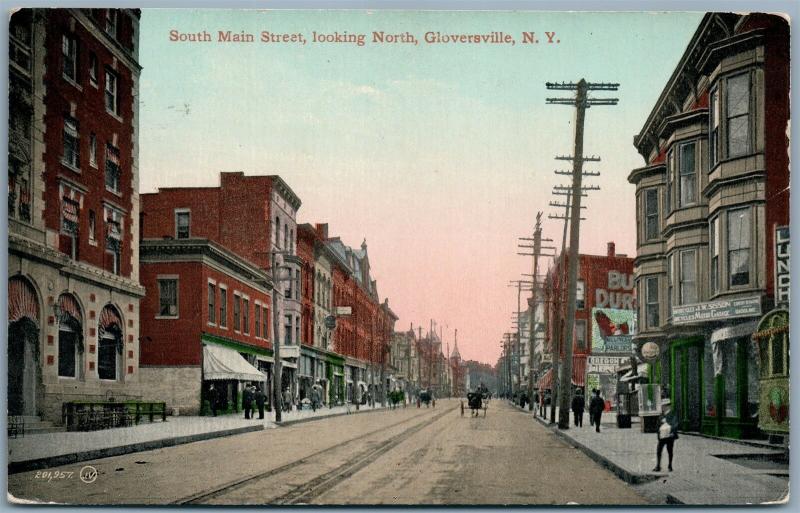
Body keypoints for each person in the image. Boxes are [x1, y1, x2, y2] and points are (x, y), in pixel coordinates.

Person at [654, 407, 679, 472]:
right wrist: (658, 432)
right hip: (662, 436)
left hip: (669, 436)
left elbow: (675, 424)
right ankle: (658, 466)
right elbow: (657, 424)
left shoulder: (672, 414)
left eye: (664, 406)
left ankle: (670, 466)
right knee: (659, 450)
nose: (663, 408)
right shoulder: (661, 414)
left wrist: (671, 431)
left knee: (669, 450)